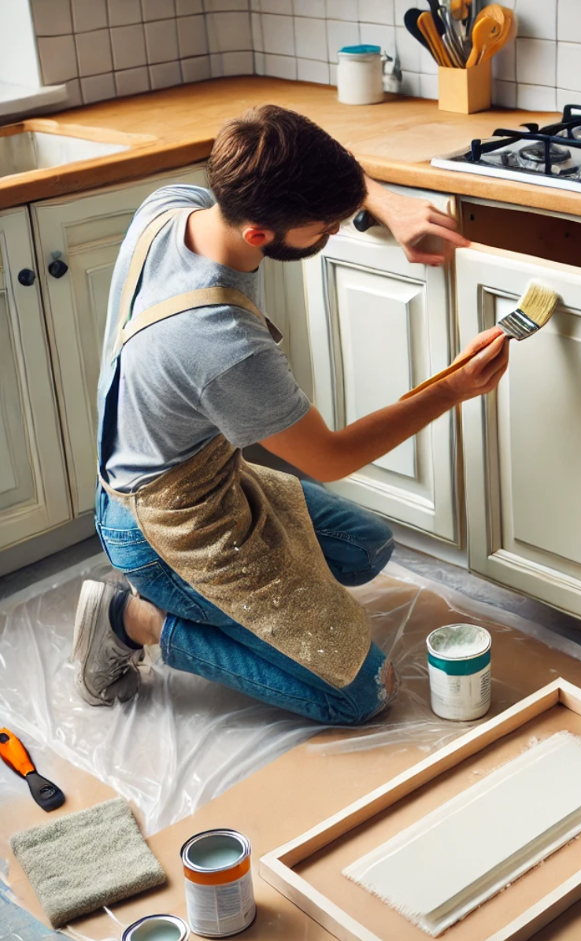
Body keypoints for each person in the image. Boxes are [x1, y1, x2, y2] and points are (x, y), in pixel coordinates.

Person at [72, 105, 509, 726]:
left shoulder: (172, 207)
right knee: (362, 694)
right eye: (325, 228)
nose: (333, 233)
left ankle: (270, 613)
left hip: (205, 474)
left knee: (365, 548)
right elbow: (332, 457)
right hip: (168, 529)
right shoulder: (220, 343)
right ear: (260, 234)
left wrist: (390, 206)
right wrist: (452, 390)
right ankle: (132, 618)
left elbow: (304, 165)